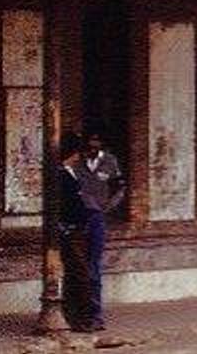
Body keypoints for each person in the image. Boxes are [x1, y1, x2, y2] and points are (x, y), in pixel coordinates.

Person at [77, 128, 125, 332]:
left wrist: (106, 207)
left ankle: (95, 316)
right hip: (77, 218)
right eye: (90, 141)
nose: (92, 146)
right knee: (77, 268)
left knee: (93, 268)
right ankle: (78, 315)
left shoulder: (110, 162)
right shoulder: (77, 162)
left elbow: (120, 188)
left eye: (97, 141)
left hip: (96, 219)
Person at [59, 132, 93, 332]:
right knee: (79, 274)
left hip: (77, 230)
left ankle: (76, 317)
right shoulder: (61, 175)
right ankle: (79, 319)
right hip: (70, 231)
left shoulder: (69, 173)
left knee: (76, 274)